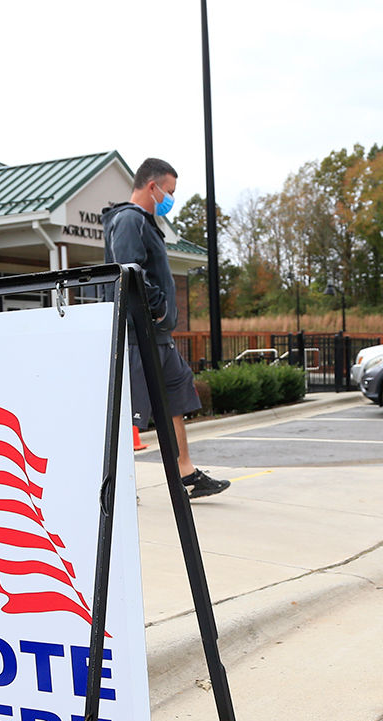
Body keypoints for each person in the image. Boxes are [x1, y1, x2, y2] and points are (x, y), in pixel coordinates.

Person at [103, 158, 229, 499]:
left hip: (157, 335)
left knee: (176, 395)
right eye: (169, 192)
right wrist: (156, 307)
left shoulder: (144, 222)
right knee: (129, 409)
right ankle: (116, 487)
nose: (170, 200)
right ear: (152, 187)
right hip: (137, 334)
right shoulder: (129, 220)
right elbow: (128, 269)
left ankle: (186, 473)